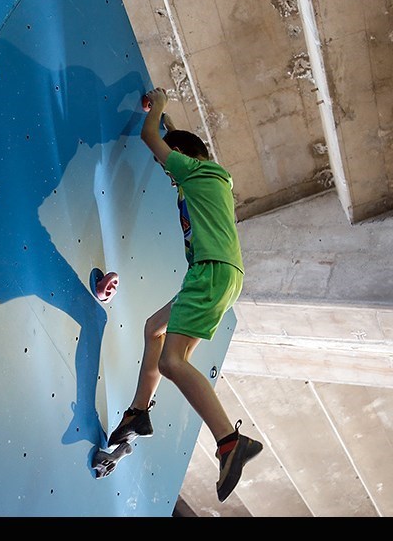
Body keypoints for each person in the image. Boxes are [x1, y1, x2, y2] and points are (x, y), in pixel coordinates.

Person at [108, 87, 263, 502]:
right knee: (153, 329)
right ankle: (139, 411)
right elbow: (177, 144)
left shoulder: (195, 173)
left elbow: (151, 140)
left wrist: (156, 107)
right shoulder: (206, 178)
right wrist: (170, 123)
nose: (167, 171)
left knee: (174, 362)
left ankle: (230, 442)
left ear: (184, 159)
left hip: (208, 273)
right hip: (218, 275)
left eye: (169, 165)